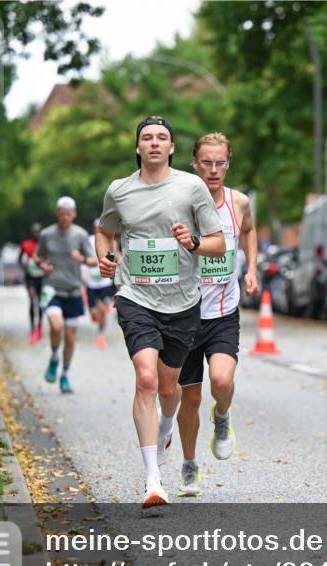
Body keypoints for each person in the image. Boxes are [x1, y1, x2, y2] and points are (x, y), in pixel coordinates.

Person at [96, 116, 225, 509]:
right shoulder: (119, 191)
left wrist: (193, 242)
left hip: (183, 302)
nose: (154, 143)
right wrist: (106, 259)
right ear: (138, 148)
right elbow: (106, 231)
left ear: (171, 148)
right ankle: (154, 479)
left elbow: (218, 244)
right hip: (136, 297)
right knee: (147, 380)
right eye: (147, 138)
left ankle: (166, 425)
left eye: (162, 138)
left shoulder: (191, 187)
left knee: (170, 391)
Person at [175, 133, 259, 497]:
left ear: (228, 163)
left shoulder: (238, 203)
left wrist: (251, 267)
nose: (213, 170)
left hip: (223, 311)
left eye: (220, 163)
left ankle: (222, 418)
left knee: (221, 382)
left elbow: (250, 232)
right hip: (184, 313)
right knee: (190, 398)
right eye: (206, 163)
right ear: (195, 162)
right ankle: (190, 465)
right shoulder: (179, 202)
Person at [33, 197, 97, 394]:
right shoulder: (46, 234)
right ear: (57, 214)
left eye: (68, 213)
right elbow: (37, 256)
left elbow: (95, 261)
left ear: (74, 214)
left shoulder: (80, 235)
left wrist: (83, 259)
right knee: (56, 325)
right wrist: (42, 265)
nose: (65, 217)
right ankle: (54, 356)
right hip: (52, 289)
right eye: (61, 213)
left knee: (70, 338)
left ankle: (65, 375)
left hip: (74, 290)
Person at [83, 219, 115, 349]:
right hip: (91, 283)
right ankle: (96, 315)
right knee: (94, 312)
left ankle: (100, 335)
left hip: (104, 282)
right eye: (96, 226)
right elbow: (83, 255)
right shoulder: (88, 241)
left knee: (103, 310)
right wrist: (83, 273)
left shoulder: (109, 240)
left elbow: (115, 254)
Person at [18, 225, 45, 343]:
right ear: (31, 232)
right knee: (32, 301)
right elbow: (19, 259)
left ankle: (39, 326)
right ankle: (32, 329)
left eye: (38, 231)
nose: (36, 233)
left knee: (40, 304)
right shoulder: (26, 244)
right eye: (34, 231)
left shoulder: (44, 244)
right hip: (30, 278)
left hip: (42, 277)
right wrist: (24, 267)